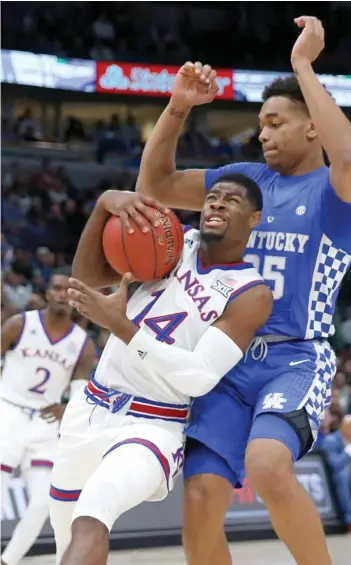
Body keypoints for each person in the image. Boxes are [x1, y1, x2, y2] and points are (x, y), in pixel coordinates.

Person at [122, 15, 351, 565]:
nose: (262, 133)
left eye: (276, 122)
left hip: (294, 357)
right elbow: (155, 187)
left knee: (265, 465)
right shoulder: (243, 183)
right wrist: (177, 107)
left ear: (312, 128)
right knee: (202, 498)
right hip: (223, 361)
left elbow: (349, 156)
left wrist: (302, 66)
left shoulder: (334, 193)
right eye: (260, 124)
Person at [49, 174, 273, 565]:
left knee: (93, 515)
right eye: (212, 198)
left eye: (231, 201)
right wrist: (104, 204)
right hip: (90, 409)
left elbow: (201, 376)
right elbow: (85, 279)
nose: (217, 204)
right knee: (64, 538)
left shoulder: (250, 292)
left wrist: (121, 326)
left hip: (152, 425)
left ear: (254, 219)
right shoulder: (172, 241)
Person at [0, 271, 95, 565]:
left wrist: (65, 408)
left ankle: (8, 561)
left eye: (69, 290)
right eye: (57, 288)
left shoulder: (83, 343)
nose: (63, 294)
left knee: (43, 503)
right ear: (47, 292)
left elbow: (80, 394)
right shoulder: (21, 323)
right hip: (9, 411)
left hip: (45, 423)